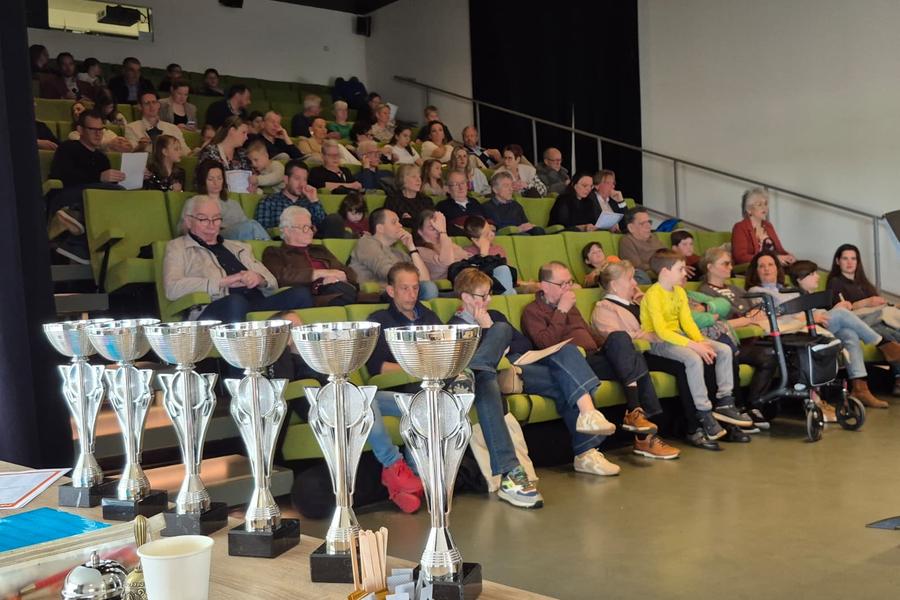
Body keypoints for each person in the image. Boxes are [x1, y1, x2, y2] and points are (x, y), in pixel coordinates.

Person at [366, 264, 542, 508]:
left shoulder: (429, 316)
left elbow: (452, 351)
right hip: (418, 386)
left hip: (449, 379)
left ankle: (470, 373)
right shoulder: (380, 320)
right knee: (485, 377)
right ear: (391, 290)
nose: (412, 294)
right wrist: (424, 366)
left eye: (415, 288)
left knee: (498, 335)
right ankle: (510, 473)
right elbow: (379, 368)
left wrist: (471, 347)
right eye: (404, 288)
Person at [520, 262, 672, 474]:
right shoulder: (533, 311)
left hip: (594, 357)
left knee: (623, 343)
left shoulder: (572, 308)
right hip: (570, 363)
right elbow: (546, 344)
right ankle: (643, 436)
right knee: (627, 358)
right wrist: (562, 310)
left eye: (570, 282)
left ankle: (636, 415)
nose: (568, 288)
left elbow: (590, 334)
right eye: (562, 284)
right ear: (545, 286)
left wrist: (614, 348)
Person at [592, 259, 725, 449]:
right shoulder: (603, 308)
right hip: (638, 355)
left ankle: (710, 419)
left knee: (704, 357)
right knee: (684, 364)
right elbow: (614, 338)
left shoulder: (638, 301)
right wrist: (644, 334)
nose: (635, 283)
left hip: (656, 347)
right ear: (614, 285)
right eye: (630, 279)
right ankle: (693, 428)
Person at [748, 252, 900, 409]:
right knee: (842, 313)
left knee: (849, 334)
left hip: (815, 323)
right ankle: (884, 344)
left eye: (770, 264)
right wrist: (811, 317)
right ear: (756, 271)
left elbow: (808, 310)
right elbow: (773, 317)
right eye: (761, 266)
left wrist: (815, 315)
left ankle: (860, 387)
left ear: (777, 268)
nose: (767, 269)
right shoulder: (757, 291)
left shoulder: (788, 290)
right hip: (797, 330)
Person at [641, 250, 753, 437]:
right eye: (680, 269)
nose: (685, 273)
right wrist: (694, 346)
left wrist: (701, 341)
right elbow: (662, 331)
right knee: (693, 358)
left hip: (681, 337)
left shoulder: (679, 292)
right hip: (661, 342)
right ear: (665, 272)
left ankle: (725, 401)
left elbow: (688, 323)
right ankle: (704, 411)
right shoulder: (653, 295)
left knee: (724, 350)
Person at [163, 195, 310, 322]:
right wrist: (222, 282)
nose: (211, 225)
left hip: (255, 303)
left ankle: (292, 345)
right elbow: (172, 287)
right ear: (189, 221)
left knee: (301, 294)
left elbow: (272, 282)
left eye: (216, 219)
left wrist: (260, 279)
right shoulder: (178, 247)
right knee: (236, 302)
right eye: (203, 219)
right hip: (216, 308)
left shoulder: (239, 247)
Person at [697, 247, 787, 427]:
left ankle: (754, 405)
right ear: (710, 267)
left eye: (730, 263)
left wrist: (749, 317)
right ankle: (737, 407)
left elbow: (755, 310)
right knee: (737, 357)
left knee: (771, 355)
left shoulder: (735, 288)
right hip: (727, 342)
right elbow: (716, 323)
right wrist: (747, 319)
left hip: (748, 340)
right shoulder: (705, 292)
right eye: (725, 264)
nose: (730, 267)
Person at [47, 109, 126, 262]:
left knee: (118, 193)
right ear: (80, 130)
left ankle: (76, 234)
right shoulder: (67, 148)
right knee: (114, 193)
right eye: (92, 129)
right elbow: (63, 175)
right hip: (68, 194)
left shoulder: (102, 158)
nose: (98, 134)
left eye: (101, 129)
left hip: (95, 199)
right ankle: (73, 227)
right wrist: (99, 177)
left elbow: (106, 185)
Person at [827, 243, 900, 396]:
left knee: (890, 331)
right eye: (845, 258)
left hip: (874, 322)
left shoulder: (864, 283)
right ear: (837, 261)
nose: (849, 262)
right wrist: (865, 303)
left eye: (853, 258)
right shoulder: (835, 282)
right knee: (884, 326)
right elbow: (839, 311)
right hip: (855, 324)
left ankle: (898, 379)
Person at [261, 206, 358, 306]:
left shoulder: (319, 249)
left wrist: (341, 277)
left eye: (311, 227)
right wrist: (321, 275)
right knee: (345, 294)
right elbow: (280, 277)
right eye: (305, 228)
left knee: (351, 293)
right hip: (311, 297)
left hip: (338, 289)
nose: (311, 232)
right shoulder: (274, 252)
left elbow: (349, 273)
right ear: (287, 231)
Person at [349, 208, 438, 300]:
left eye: (399, 222)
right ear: (380, 228)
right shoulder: (366, 243)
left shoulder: (398, 252)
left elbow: (424, 279)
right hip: (378, 294)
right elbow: (387, 272)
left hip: (402, 292)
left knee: (435, 291)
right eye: (394, 222)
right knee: (429, 289)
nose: (400, 225)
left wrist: (412, 247)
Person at [255, 159, 346, 237]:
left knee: (335, 220)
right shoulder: (269, 201)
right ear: (286, 179)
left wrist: (314, 200)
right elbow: (262, 232)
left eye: (304, 179)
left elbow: (326, 227)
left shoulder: (309, 202)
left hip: (311, 244)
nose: (302, 184)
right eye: (297, 178)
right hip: (284, 244)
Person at [192, 159, 268, 241]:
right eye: (210, 179)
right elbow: (188, 228)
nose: (216, 183)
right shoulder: (196, 202)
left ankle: (267, 245)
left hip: (239, 238)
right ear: (203, 181)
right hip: (217, 237)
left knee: (252, 225)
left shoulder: (233, 204)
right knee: (252, 226)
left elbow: (244, 224)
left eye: (219, 178)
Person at [731, 188, 796, 266]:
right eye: (759, 204)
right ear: (749, 209)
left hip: (775, 265)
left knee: (803, 266)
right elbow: (740, 257)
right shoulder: (740, 227)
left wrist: (789, 256)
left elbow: (780, 251)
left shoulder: (768, 226)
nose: (764, 207)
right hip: (755, 268)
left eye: (765, 204)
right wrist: (773, 259)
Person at [618, 207, 665, 283]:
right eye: (643, 223)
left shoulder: (654, 237)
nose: (648, 226)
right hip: (647, 276)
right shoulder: (627, 241)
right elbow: (637, 266)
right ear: (631, 227)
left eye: (649, 222)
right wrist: (660, 267)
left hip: (663, 272)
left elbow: (668, 255)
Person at [66, 101, 133, 153]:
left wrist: (122, 142)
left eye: (78, 109)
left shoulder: (105, 131)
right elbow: (87, 145)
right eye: (73, 111)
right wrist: (109, 144)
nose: (75, 112)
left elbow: (118, 141)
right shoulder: (73, 134)